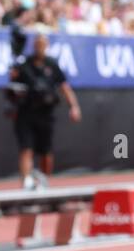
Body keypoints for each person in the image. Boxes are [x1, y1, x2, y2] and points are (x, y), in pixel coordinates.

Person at [6, 31, 81, 190]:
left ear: (46, 46)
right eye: (37, 44)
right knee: (26, 149)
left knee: (46, 151)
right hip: (26, 113)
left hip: (46, 113)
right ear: (33, 46)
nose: (40, 47)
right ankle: (26, 184)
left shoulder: (52, 64)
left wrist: (73, 106)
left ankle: (44, 182)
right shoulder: (23, 65)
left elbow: (64, 87)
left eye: (43, 44)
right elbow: (11, 89)